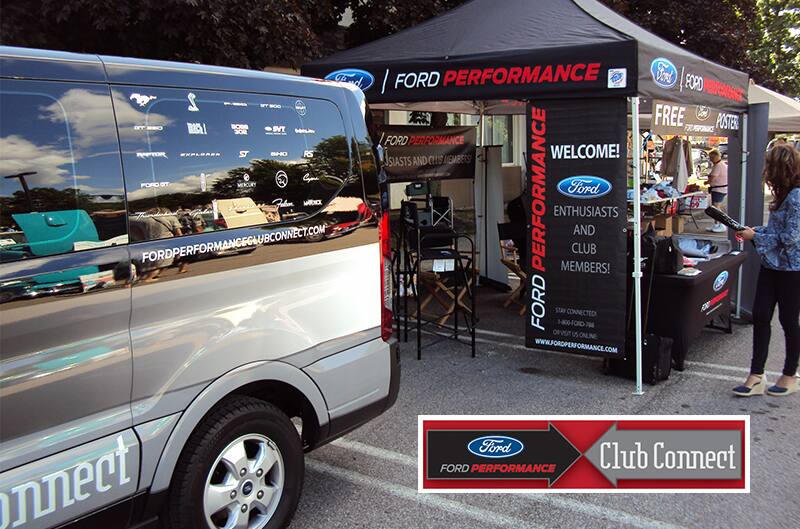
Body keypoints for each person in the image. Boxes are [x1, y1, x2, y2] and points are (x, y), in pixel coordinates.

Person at [733, 144, 800, 397]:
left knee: (789, 320)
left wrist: (756, 237)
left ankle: (789, 374)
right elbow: (777, 232)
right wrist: (755, 231)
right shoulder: (785, 194)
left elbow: (791, 237)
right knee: (761, 316)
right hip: (772, 265)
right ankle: (757, 374)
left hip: (792, 269)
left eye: (769, 165)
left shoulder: (796, 196)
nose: (766, 171)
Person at [706, 149, 728, 233]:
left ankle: (721, 224)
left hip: (719, 189)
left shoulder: (719, 166)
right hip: (719, 188)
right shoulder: (720, 164)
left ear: (715, 156)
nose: (710, 159)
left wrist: (707, 182)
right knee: (715, 207)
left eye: (711, 157)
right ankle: (716, 224)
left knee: (716, 207)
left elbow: (713, 177)